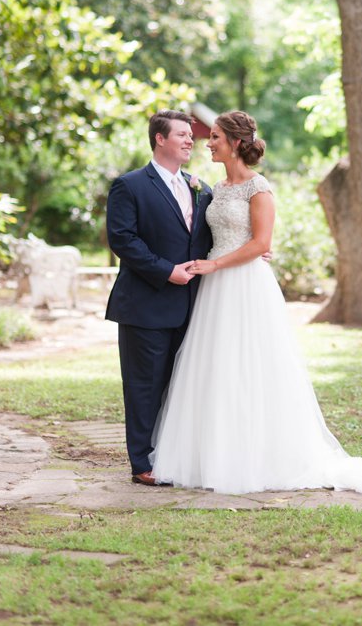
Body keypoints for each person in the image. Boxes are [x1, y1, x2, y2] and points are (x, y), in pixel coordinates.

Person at [150, 110, 362, 494]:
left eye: (214, 137)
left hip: (246, 285)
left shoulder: (258, 187)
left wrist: (216, 263)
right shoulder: (214, 187)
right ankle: (213, 454)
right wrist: (209, 262)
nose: (207, 142)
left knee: (253, 366)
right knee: (216, 365)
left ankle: (261, 456)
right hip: (215, 289)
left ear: (234, 143)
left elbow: (261, 244)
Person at [105, 110, 214, 486]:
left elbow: (210, 239)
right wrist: (166, 270)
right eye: (182, 134)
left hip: (193, 308)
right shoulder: (130, 185)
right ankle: (142, 463)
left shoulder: (202, 188)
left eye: (191, 135)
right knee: (144, 386)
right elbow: (123, 240)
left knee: (181, 386)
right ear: (160, 139)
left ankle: (173, 456)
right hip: (145, 304)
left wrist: (250, 251)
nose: (190, 140)